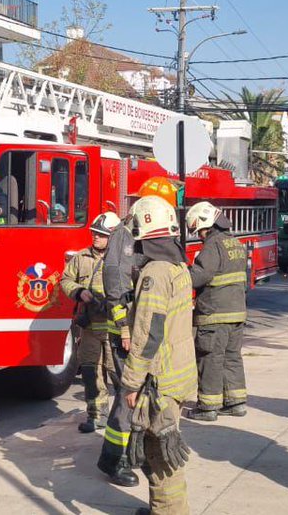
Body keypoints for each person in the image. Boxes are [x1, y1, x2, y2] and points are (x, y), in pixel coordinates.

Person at [98, 176, 181, 488]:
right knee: (128, 396)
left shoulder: (153, 231)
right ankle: (115, 459)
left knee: (139, 395)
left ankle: (127, 453)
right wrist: (123, 328)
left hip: (145, 330)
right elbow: (115, 281)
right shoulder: (126, 233)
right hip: (129, 332)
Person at [121, 195, 195, 515]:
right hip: (176, 373)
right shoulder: (178, 266)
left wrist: (131, 382)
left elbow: (147, 334)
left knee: (160, 451)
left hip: (159, 379)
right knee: (161, 447)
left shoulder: (155, 273)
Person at [185, 201, 249, 422]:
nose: (199, 236)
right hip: (237, 312)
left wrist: (183, 273)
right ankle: (236, 403)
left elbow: (199, 277)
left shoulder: (213, 245)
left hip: (214, 314)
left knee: (210, 359)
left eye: (199, 231)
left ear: (206, 224)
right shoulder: (236, 243)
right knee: (232, 357)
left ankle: (207, 407)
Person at [60, 212, 121, 433]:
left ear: (112, 237)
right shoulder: (81, 258)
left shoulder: (121, 260)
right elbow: (65, 280)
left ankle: (123, 417)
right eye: (94, 233)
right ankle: (96, 416)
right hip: (90, 329)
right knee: (90, 373)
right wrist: (79, 292)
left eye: (101, 234)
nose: (96, 237)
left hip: (114, 329)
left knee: (118, 375)